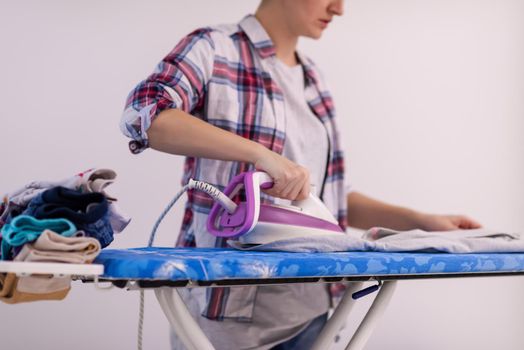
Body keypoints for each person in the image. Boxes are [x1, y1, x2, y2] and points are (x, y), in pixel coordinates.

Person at [120, 0, 481, 349]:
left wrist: (421, 221)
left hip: (311, 315)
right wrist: (261, 155)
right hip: (225, 318)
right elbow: (144, 115)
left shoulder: (313, 79)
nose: (339, 8)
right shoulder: (214, 48)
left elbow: (322, 198)